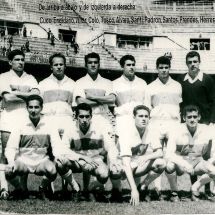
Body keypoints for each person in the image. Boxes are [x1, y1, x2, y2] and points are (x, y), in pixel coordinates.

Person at [4, 95, 81, 200]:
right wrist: (11, 162)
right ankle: (20, 189)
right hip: (23, 161)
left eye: (36, 107)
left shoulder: (49, 123)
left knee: (52, 170)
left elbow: (56, 144)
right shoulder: (20, 123)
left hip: (41, 161)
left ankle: (43, 188)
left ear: (41, 108)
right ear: (27, 108)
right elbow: (11, 147)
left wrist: (58, 156)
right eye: (30, 107)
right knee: (8, 171)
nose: (33, 110)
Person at [58, 103, 121, 201]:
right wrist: (81, 158)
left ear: (91, 116)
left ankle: (91, 188)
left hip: (95, 160)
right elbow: (63, 149)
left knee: (104, 174)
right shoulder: (70, 127)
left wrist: (113, 160)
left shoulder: (100, 127)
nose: (84, 120)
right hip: (78, 160)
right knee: (59, 162)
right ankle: (76, 187)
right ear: (76, 117)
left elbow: (111, 146)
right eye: (81, 116)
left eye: (87, 116)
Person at [0, 49, 39, 199]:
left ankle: (22, 188)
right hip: (8, 120)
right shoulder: (3, 77)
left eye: (22, 59)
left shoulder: (30, 78)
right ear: (10, 62)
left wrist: (15, 92)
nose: (20, 62)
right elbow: (7, 99)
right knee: (5, 156)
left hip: (25, 120)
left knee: (23, 155)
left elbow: (36, 96)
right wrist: (27, 95)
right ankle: (4, 189)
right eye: (17, 59)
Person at [144, 56, 182, 201]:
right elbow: (147, 107)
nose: (164, 70)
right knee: (157, 156)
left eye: (166, 67)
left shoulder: (177, 85)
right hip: (156, 123)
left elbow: (179, 105)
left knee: (171, 156)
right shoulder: (150, 86)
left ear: (169, 68)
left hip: (172, 123)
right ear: (157, 68)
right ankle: (156, 190)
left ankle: (174, 192)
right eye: (161, 67)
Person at [178, 51, 215, 194]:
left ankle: (205, 187)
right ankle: (194, 188)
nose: (193, 64)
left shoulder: (207, 80)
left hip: (205, 122)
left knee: (206, 155)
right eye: (190, 62)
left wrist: (212, 121)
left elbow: (213, 101)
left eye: (195, 61)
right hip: (189, 123)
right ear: (186, 63)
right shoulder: (182, 79)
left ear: (199, 62)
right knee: (193, 154)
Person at [118, 105, 165, 206]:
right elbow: (126, 164)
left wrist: (146, 157)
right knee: (117, 173)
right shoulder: (126, 133)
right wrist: (133, 190)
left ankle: (143, 186)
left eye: (146, 116)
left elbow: (160, 152)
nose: (143, 119)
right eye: (140, 116)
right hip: (120, 167)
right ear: (134, 117)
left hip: (136, 164)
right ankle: (116, 189)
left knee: (161, 163)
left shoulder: (151, 131)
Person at [166, 105, 215, 201]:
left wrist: (212, 159)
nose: (192, 120)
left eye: (195, 117)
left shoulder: (206, 129)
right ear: (184, 118)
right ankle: (174, 192)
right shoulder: (176, 129)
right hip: (181, 162)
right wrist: (184, 164)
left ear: (199, 117)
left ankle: (195, 187)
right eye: (189, 117)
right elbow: (169, 153)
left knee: (214, 170)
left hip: (198, 162)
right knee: (169, 166)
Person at [39, 53, 75, 138]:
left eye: (61, 64)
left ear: (65, 66)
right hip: (48, 123)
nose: (59, 67)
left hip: (67, 124)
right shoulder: (42, 84)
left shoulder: (73, 84)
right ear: (51, 67)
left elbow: (74, 108)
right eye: (56, 65)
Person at [73, 52, 115, 126]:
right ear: (86, 65)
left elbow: (112, 99)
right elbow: (80, 102)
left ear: (99, 65)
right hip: (86, 120)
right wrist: (103, 101)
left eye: (95, 62)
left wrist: (92, 97)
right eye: (90, 63)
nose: (93, 65)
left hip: (103, 119)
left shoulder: (107, 82)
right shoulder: (79, 82)